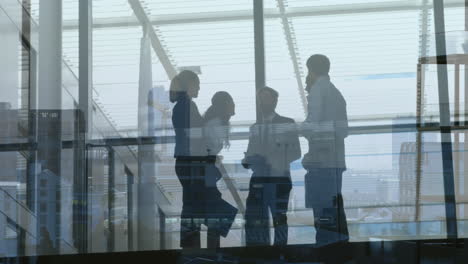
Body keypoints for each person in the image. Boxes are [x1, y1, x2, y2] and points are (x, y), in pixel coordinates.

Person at [242, 86, 301, 246]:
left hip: (278, 177)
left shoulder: (287, 123)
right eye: (260, 99)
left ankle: (280, 253)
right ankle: (259, 253)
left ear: (275, 101)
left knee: (279, 218)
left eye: (266, 98)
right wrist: (248, 160)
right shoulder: (255, 128)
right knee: (255, 218)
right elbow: (250, 154)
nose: (262, 102)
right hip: (259, 179)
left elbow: (296, 152)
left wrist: (274, 159)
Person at [301, 54, 349, 246]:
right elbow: (343, 130)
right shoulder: (336, 93)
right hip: (336, 160)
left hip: (321, 162)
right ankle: (340, 250)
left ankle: (325, 249)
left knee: (321, 210)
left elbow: (312, 123)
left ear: (311, 70)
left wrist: (297, 129)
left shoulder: (318, 90)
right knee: (335, 206)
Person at [170, 70, 206, 249]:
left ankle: (190, 243)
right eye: (197, 83)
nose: (199, 87)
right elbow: (195, 133)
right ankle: (191, 243)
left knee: (191, 202)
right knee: (193, 204)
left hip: (185, 160)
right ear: (190, 84)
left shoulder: (182, 105)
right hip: (190, 161)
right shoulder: (187, 106)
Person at [202, 91, 237, 248]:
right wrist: (214, 157)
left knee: (214, 209)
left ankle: (213, 245)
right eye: (231, 102)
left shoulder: (214, 123)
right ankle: (213, 247)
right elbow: (209, 148)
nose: (234, 106)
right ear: (224, 105)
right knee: (215, 210)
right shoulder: (216, 124)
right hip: (207, 170)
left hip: (208, 169)